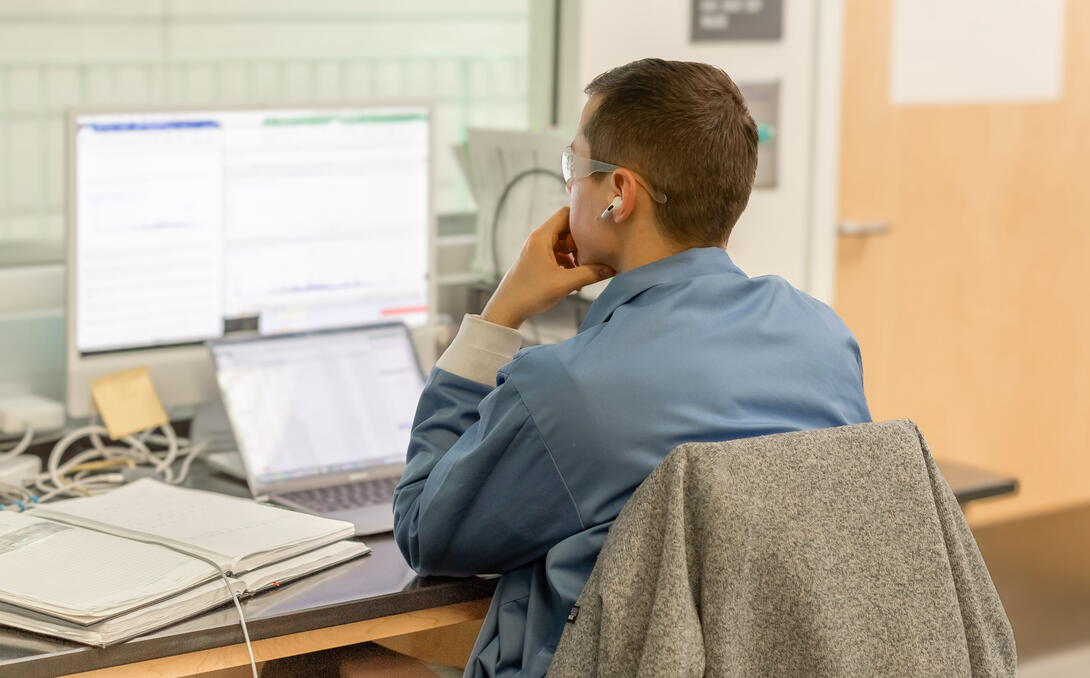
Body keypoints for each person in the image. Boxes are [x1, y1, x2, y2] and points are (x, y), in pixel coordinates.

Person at [335, 58, 871, 677]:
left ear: (619, 193)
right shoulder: (823, 338)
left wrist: (502, 312)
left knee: (331, 663)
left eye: (574, 168)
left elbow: (426, 532)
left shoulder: (567, 389)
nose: (569, 189)